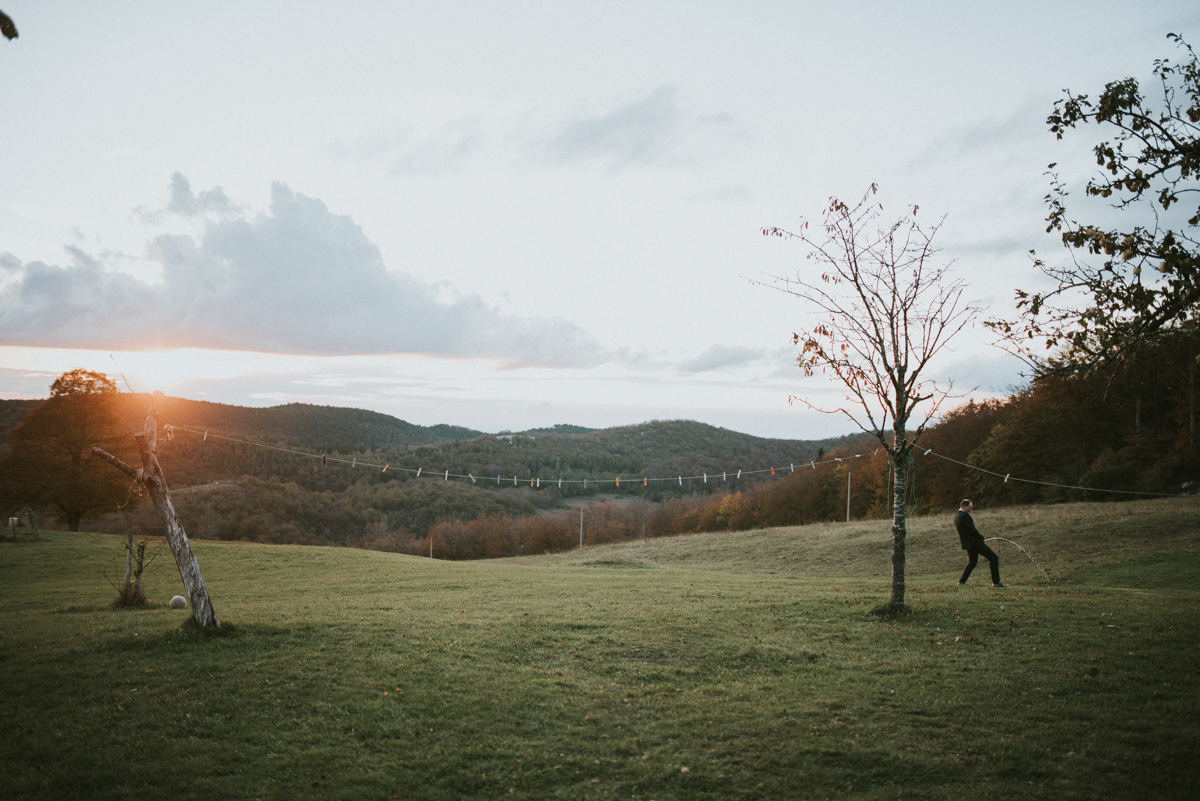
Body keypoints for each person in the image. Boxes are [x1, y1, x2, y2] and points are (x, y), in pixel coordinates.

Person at [954, 498, 1004, 588]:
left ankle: (961, 582)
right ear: (964, 506)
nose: (971, 510)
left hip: (969, 544)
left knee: (972, 563)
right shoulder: (964, 516)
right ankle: (996, 582)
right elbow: (972, 530)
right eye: (969, 508)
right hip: (974, 543)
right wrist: (981, 538)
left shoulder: (957, 516)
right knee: (993, 558)